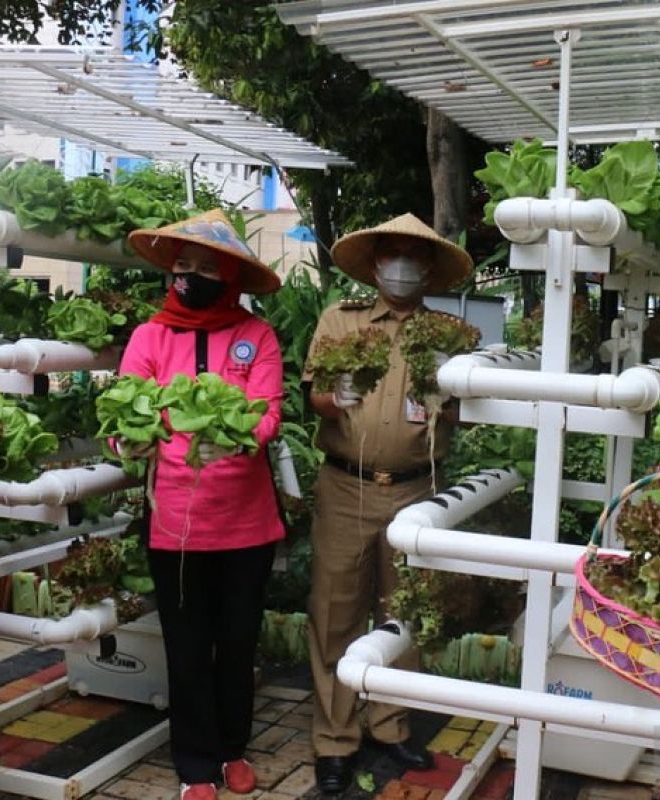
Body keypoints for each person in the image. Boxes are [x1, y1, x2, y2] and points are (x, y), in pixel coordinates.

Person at [303, 213, 472, 795]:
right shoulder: (340, 321)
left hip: (415, 489)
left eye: (414, 257)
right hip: (345, 484)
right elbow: (316, 397)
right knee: (335, 613)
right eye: (392, 255)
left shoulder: (450, 333)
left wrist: (453, 396)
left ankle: (390, 725)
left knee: (403, 612)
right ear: (375, 265)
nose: (402, 266)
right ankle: (334, 740)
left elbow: (469, 408)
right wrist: (335, 395)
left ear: (428, 269)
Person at [121, 210, 286, 800]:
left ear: (231, 276)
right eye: (182, 267)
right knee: (186, 645)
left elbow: (266, 412)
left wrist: (229, 433)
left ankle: (233, 748)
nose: (190, 278)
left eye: (205, 268)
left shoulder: (256, 336)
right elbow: (126, 410)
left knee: (237, 642)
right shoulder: (149, 336)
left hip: (247, 521)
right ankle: (195, 764)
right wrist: (130, 439)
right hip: (174, 523)